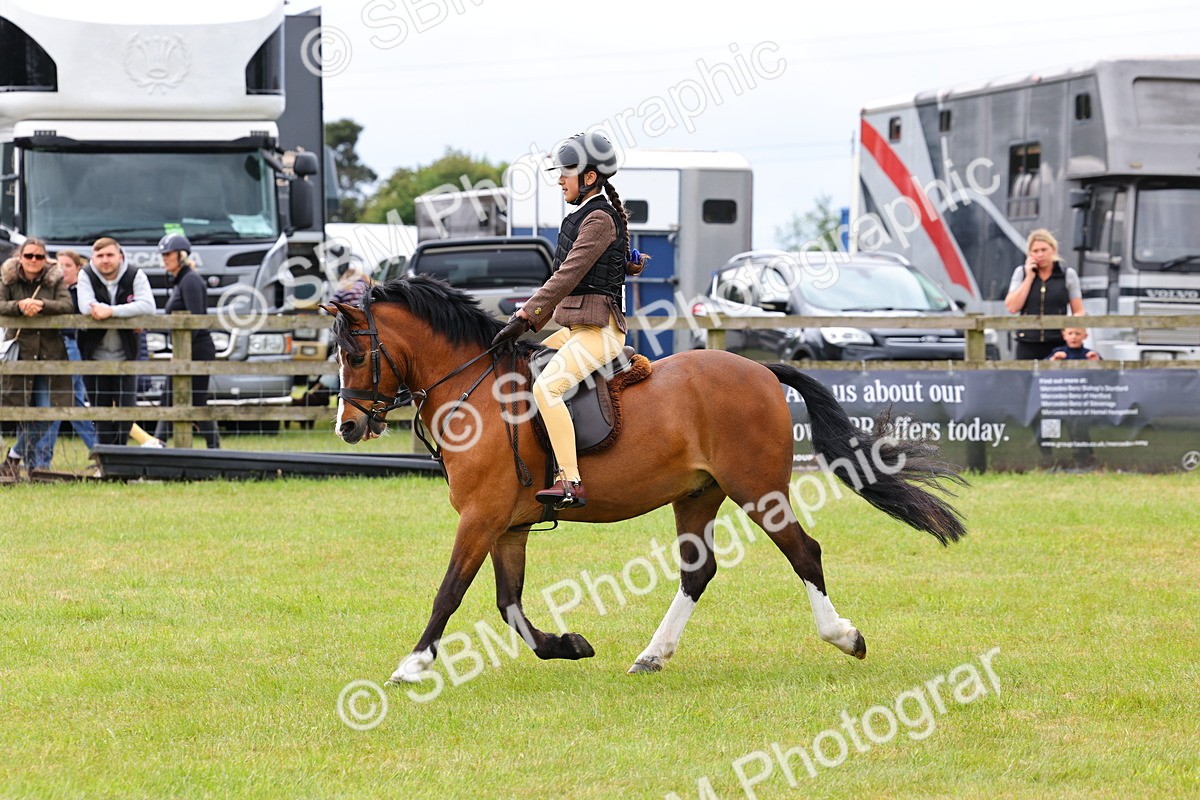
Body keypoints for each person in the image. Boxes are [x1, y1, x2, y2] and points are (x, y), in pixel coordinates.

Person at [491, 131, 649, 509]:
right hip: (575, 329)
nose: (560, 178)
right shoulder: (584, 216)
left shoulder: (596, 219)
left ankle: (571, 481)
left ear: (590, 177)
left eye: (567, 171)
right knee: (524, 369)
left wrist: (526, 315)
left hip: (600, 333)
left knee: (548, 389)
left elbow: (566, 277)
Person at [0, 238, 75, 476]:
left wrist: (40, 304)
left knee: (47, 411)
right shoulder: (7, 277)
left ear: (45, 259)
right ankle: (33, 466)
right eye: (29, 256)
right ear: (20, 257)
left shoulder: (55, 278)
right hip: (18, 355)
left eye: (39, 257)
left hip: (48, 355)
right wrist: (19, 306)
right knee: (19, 410)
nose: (34, 260)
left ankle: (13, 458)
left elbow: (66, 305)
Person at [75, 236, 155, 446]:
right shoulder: (86, 274)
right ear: (93, 258)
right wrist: (128, 312)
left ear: (120, 256)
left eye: (110, 255)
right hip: (94, 356)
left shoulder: (134, 274)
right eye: (100, 256)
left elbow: (148, 305)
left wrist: (111, 311)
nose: (105, 260)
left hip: (126, 356)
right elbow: (85, 307)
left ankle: (122, 459)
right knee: (100, 413)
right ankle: (106, 462)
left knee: (125, 414)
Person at [29, 251, 100, 461]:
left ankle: (44, 459)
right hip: (50, 347)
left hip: (70, 346)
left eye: (68, 265)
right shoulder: (52, 289)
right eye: (59, 264)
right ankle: (100, 452)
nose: (62, 269)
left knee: (65, 401)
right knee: (66, 402)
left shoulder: (81, 292)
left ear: (78, 268)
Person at [152, 233, 220, 449]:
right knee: (170, 397)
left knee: (194, 403)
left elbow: (196, 319)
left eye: (168, 254)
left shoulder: (190, 280)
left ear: (181, 255)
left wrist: (183, 353)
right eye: (163, 255)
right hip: (186, 350)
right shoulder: (182, 280)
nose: (165, 258)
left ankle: (213, 448)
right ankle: (159, 444)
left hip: (196, 350)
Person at [1004, 229, 1085, 359]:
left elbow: (1079, 311)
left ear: (1053, 250)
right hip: (1027, 342)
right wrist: (1029, 278)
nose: (1040, 254)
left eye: (1044, 250)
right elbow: (1012, 307)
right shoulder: (1021, 273)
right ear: (1029, 254)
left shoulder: (1067, 275)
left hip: (1057, 342)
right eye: (1035, 251)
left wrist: (1073, 333)